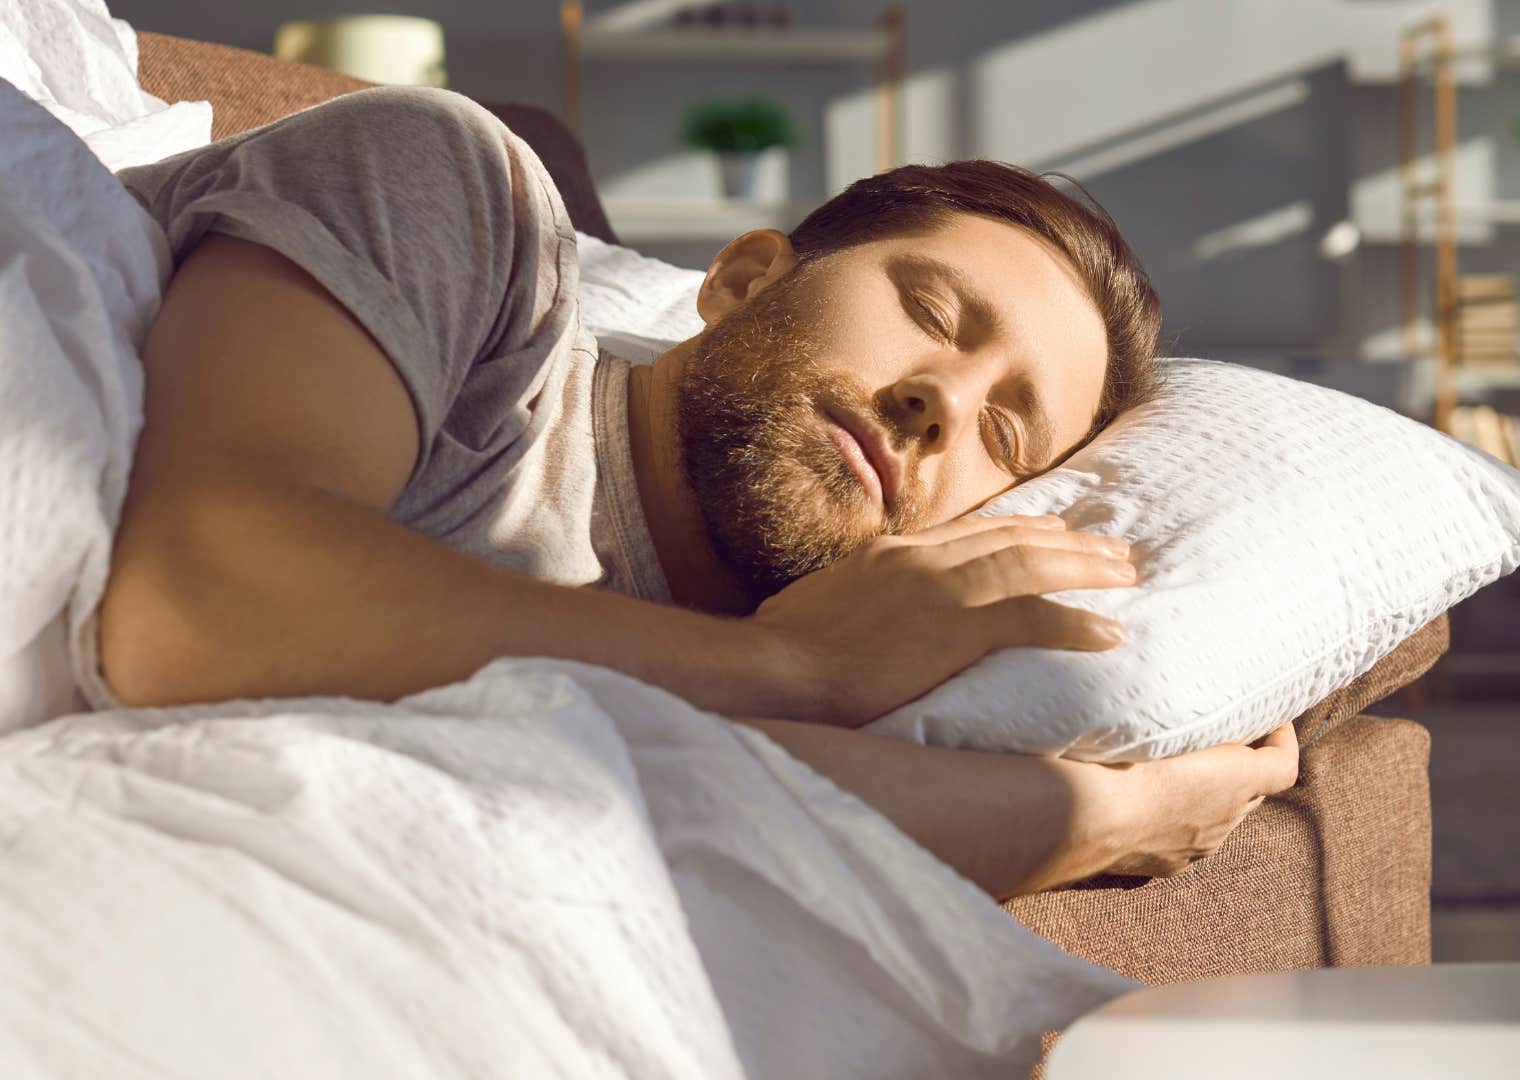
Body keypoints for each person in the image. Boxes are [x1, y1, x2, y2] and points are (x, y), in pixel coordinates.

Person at [94, 87, 1298, 900]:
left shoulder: (809, 665)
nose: (941, 400)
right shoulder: (468, 206)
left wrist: (1126, 819)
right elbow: (196, 601)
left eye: (1006, 430)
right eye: (931, 313)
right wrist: (799, 670)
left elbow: (730, 801)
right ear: (743, 276)